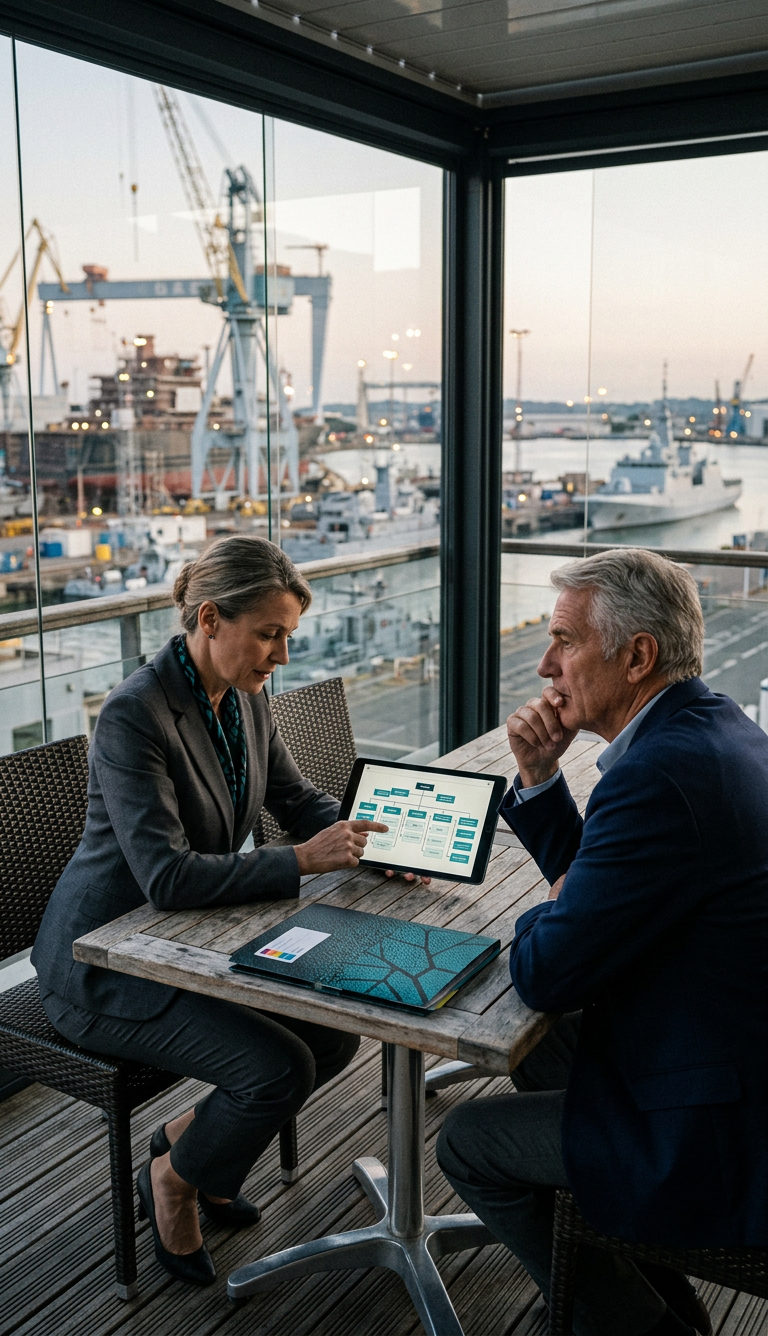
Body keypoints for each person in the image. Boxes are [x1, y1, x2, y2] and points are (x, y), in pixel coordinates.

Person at [32, 535, 422, 1287]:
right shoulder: (133, 716)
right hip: (103, 964)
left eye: (287, 637)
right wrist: (305, 859)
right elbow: (168, 878)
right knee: (276, 1068)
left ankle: (187, 1143)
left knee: (334, 1033)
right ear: (210, 618)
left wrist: (369, 840)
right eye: (269, 634)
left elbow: (295, 799)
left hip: (187, 941)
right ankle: (175, 1182)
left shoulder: (244, 697)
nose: (280, 655)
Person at [437, 548, 768, 1336]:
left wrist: (546, 911)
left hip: (718, 1124)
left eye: (565, 642)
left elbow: (547, 971)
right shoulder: (716, 729)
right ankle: (659, 1295)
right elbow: (615, 899)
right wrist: (543, 781)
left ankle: (637, 1325)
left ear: (638, 654)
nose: (546, 665)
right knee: (538, 1053)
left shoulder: (654, 777)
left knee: (466, 1142)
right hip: (724, 1046)